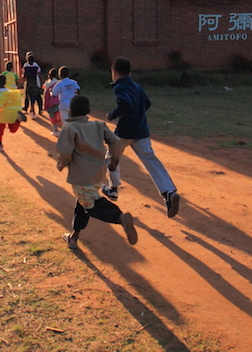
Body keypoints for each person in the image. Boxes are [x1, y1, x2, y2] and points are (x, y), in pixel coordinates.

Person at [56, 96, 137, 250]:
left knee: (91, 204)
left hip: (81, 176)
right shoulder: (99, 126)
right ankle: (74, 237)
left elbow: (64, 152)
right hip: (98, 175)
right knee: (82, 202)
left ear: (71, 111)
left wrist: (61, 164)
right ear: (88, 111)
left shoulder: (70, 128)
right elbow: (116, 143)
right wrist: (113, 161)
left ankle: (120, 217)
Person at [103, 57, 180, 218]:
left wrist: (112, 115)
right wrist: (137, 115)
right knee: (151, 160)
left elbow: (125, 103)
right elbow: (147, 102)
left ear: (114, 72)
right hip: (141, 130)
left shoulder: (120, 86)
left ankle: (113, 189)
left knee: (111, 156)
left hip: (125, 131)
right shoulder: (136, 86)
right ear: (129, 72)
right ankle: (168, 192)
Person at [0, 75, 24, 152]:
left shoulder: (1, 94)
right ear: (5, 82)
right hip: (14, 112)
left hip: (4, 114)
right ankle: (18, 121)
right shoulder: (11, 92)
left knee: (0, 128)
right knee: (12, 129)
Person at [42, 68, 63, 135]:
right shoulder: (58, 82)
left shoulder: (47, 83)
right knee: (59, 116)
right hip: (57, 102)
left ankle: (55, 130)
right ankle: (62, 131)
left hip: (50, 102)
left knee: (52, 117)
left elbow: (44, 90)